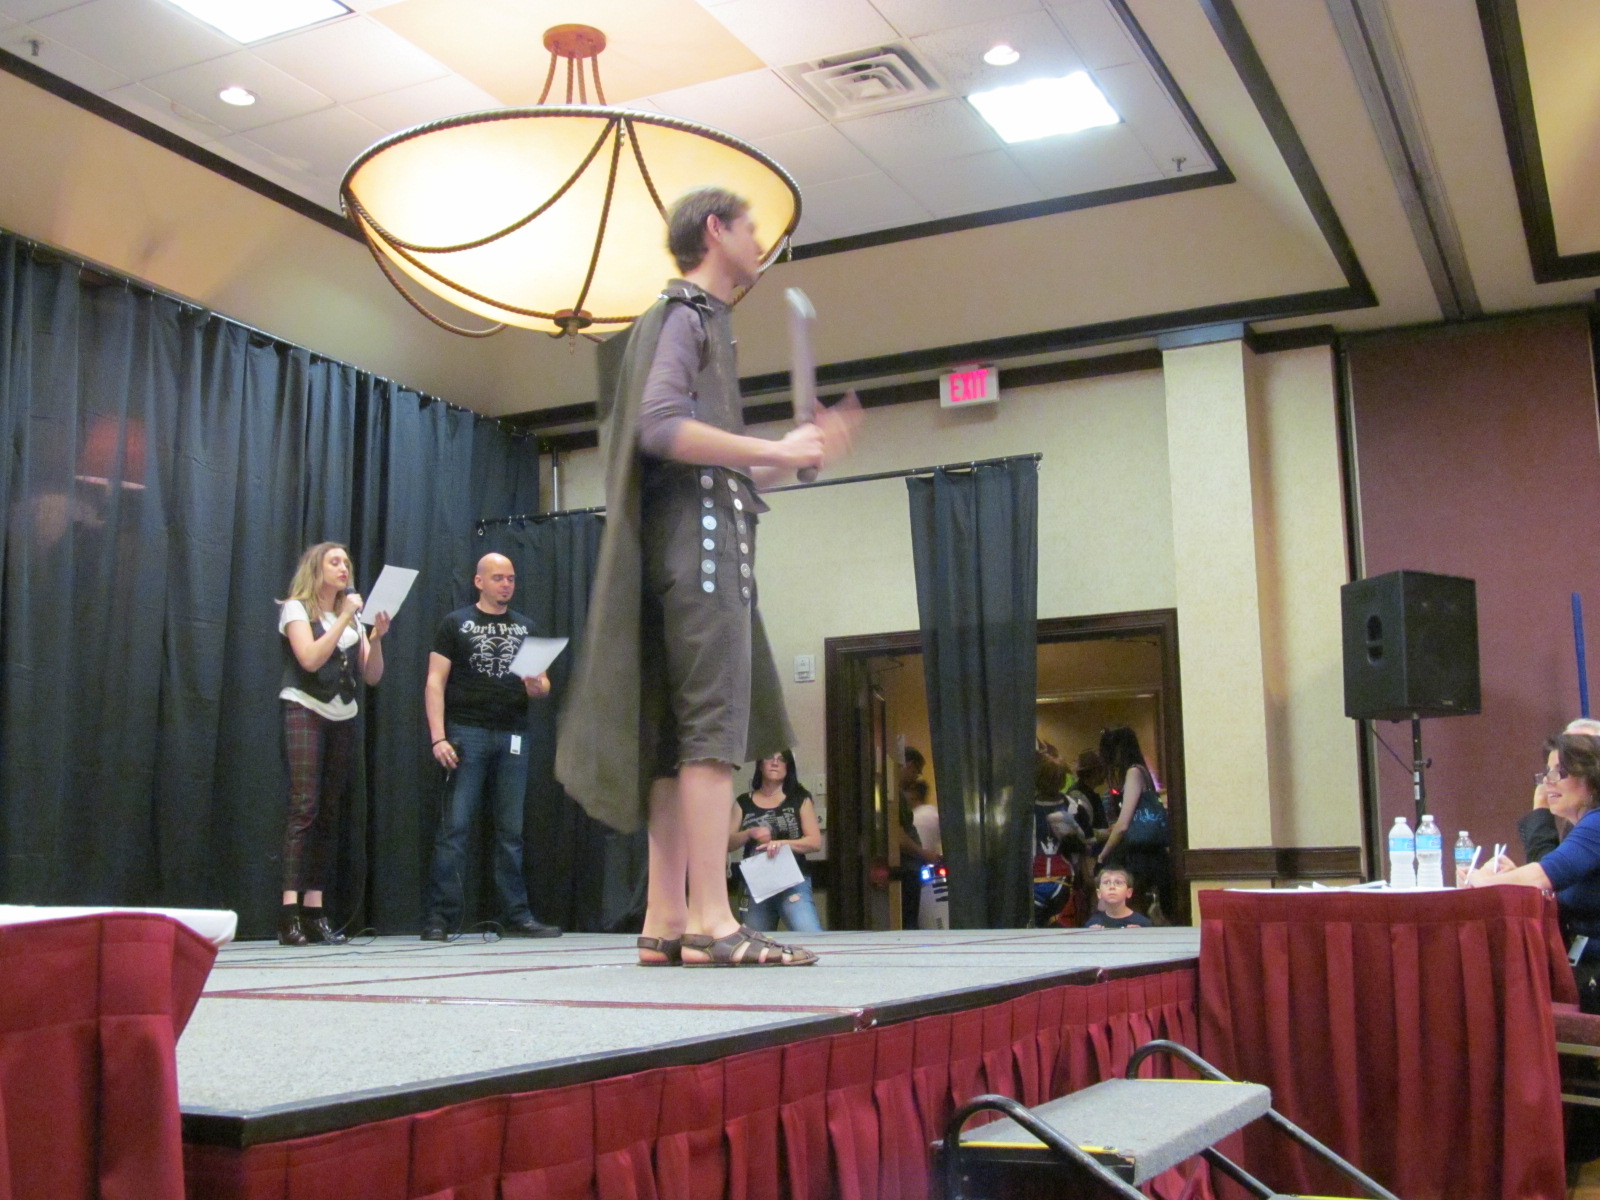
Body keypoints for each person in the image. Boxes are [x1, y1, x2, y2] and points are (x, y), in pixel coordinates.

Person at [555, 186, 860, 967]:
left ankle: (665, 919)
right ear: (716, 230)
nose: (761, 242)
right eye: (751, 228)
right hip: (706, 553)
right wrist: (778, 449)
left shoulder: (677, 320)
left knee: (672, 741)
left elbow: (704, 462)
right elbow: (662, 427)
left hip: (677, 546)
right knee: (710, 735)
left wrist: (790, 457)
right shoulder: (690, 314)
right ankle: (712, 922)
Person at [420, 553, 561, 941]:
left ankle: (517, 915)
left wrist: (537, 686)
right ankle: (440, 918)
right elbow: (435, 681)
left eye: (511, 578)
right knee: (455, 829)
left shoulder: (526, 626)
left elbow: (543, 684)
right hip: (466, 732)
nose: (506, 584)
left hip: (513, 734)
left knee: (510, 832)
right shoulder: (455, 623)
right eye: (498, 578)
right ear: (479, 581)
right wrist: (438, 736)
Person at [276, 542, 389, 946]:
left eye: (346, 563)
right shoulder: (296, 609)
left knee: (328, 812)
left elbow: (371, 676)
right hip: (305, 706)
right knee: (304, 806)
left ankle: (315, 910)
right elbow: (309, 659)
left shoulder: (352, 617)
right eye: (335, 562)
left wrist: (376, 638)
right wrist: (343, 618)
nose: (344, 568)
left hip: (343, 712)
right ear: (316, 568)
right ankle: (288, 913)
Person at [728, 750, 823, 933]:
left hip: (793, 880)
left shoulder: (800, 799)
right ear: (760, 764)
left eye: (782, 760)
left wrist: (782, 844)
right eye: (769, 758)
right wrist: (750, 833)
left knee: (809, 933)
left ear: (788, 767)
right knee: (755, 939)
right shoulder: (743, 802)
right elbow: (727, 844)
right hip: (756, 881)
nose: (775, 763)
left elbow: (814, 842)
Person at [1097, 725, 1174, 922]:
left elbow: (1123, 824)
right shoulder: (1143, 771)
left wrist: (1103, 854)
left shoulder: (1133, 773)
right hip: (1154, 853)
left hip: (1139, 855)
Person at [1033, 740, 1086, 927]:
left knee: (1060, 926)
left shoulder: (1072, 806)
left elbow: (1084, 842)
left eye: (1057, 778)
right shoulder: (1028, 809)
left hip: (1063, 875)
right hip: (1037, 875)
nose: (1053, 783)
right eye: (1050, 778)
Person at [1083, 864, 1153, 929]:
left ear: (1129, 892)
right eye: (1106, 882)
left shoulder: (1143, 924)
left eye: (1118, 882)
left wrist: (1140, 935)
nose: (1112, 887)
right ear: (1099, 893)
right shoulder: (1092, 924)